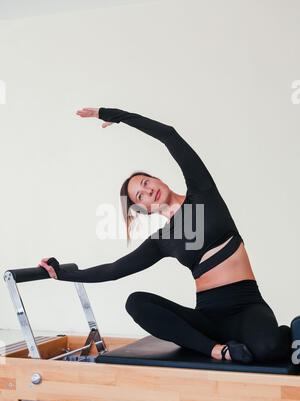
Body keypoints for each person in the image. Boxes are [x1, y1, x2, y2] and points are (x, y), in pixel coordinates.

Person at [39, 106, 292, 364]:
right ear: (143, 210)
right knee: (136, 303)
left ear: (157, 179)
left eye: (146, 183)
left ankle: (291, 332)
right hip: (208, 318)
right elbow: (113, 270)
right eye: (140, 196)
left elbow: (169, 136)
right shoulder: (162, 240)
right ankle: (217, 350)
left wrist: (115, 115)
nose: (148, 191)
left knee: (270, 349)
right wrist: (62, 274)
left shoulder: (202, 192)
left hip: (246, 306)